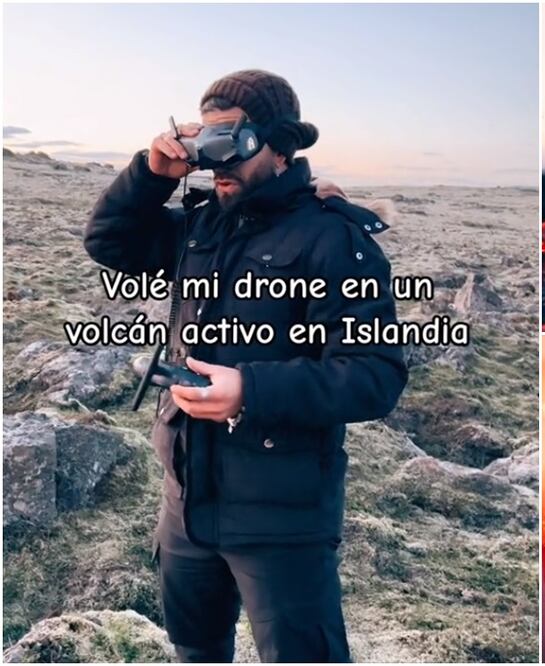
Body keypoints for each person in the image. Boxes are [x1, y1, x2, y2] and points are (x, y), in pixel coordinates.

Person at [84, 69, 408, 662]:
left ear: (280, 147)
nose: (218, 162)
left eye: (231, 141)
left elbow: (375, 373)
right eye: (207, 142)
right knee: (195, 649)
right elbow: (110, 243)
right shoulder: (202, 224)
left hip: (283, 518)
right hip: (187, 503)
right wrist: (151, 175)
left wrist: (251, 390)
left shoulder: (333, 239)